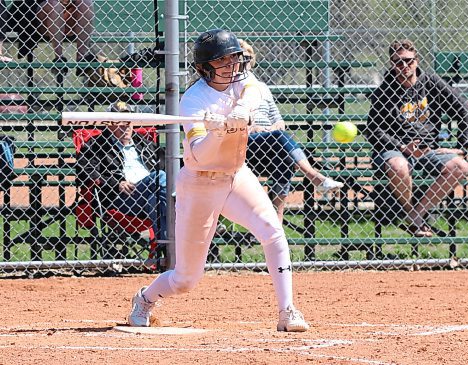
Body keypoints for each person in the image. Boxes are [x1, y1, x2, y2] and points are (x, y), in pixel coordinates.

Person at [127, 29, 309, 332]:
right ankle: (145, 298)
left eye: (234, 58)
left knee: (273, 232)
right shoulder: (194, 100)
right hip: (200, 183)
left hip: (236, 176)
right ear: (205, 67)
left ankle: (287, 311)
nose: (231, 66)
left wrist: (240, 111)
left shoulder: (246, 83)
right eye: (222, 61)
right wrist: (217, 132)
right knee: (186, 279)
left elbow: (253, 93)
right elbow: (200, 153)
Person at [366, 39, 468, 237]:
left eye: (409, 61)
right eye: (398, 62)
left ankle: (416, 214)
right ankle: (413, 216)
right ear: (392, 64)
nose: (405, 66)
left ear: (416, 60)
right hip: (396, 150)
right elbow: (374, 129)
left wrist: (461, 146)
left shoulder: (431, 83)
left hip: (428, 150)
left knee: (460, 166)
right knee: (398, 166)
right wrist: (402, 146)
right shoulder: (384, 92)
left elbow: (465, 112)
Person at [240, 39, 344, 222]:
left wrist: (271, 127)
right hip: (244, 143)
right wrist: (251, 126)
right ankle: (315, 177)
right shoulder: (230, 86)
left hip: (269, 142)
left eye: (247, 58)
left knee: (285, 158)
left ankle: (276, 220)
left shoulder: (262, 88)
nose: (244, 62)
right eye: (239, 58)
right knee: (280, 139)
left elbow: (279, 120)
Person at [77, 101, 167, 245]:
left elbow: (169, 164)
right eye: (119, 121)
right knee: (161, 178)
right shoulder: (97, 145)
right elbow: (85, 170)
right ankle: (187, 229)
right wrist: (115, 183)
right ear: (109, 124)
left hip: (152, 194)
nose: (125, 126)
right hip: (122, 199)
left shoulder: (144, 143)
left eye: (128, 121)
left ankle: (163, 249)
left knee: (157, 199)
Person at [37, 0, 94, 74]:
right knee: (54, 4)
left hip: (68, 16)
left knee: (86, 3)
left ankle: (81, 58)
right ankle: (59, 58)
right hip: (43, 17)